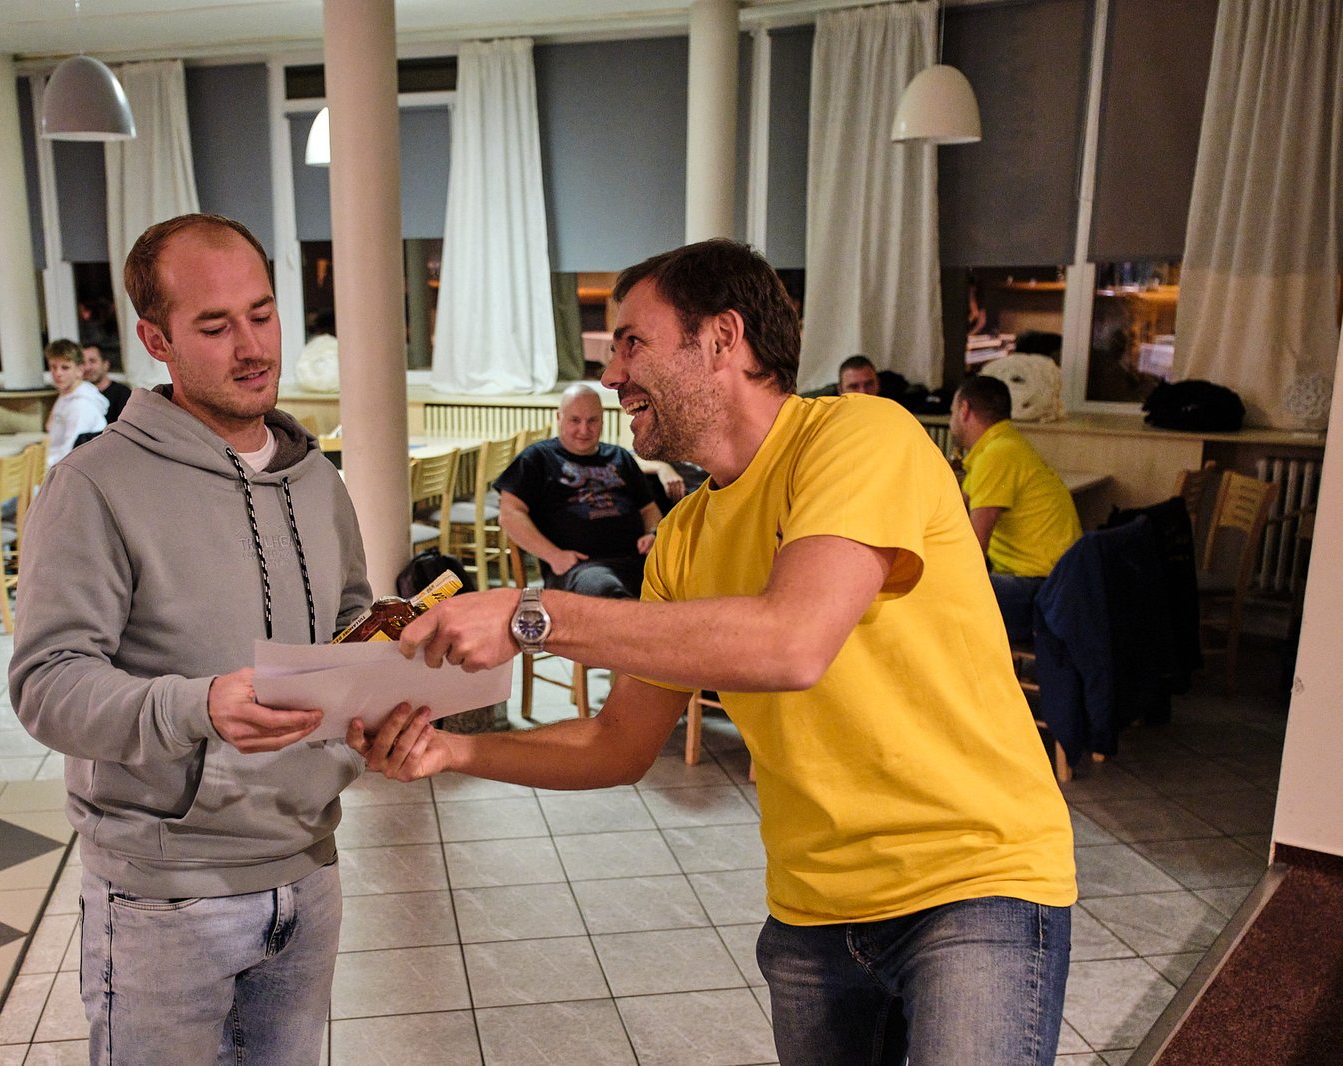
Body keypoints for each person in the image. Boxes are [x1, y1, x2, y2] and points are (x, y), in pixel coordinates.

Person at [352, 239, 1076, 1066]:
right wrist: (452, 752)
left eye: (633, 342)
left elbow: (792, 641)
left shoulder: (860, 434)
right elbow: (617, 743)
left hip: (972, 880)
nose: (612, 375)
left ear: (723, 339)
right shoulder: (684, 537)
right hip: (813, 911)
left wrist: (532, 615)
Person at [10, 212, 371, 1066]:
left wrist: (400, 660)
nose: (252, 347)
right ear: (156, 340)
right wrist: (199, 705)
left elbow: (348, 623)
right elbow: (47, 684)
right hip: (163, 897)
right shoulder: (93, 486)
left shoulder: (317, 478)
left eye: (262, 314)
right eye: (214, 326)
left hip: (310, 866)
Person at [494, 382, 662, 599]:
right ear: (559, 418)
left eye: (592, 421)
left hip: (637, 560)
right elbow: (509, 514)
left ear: (602, 421)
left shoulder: (620, 457)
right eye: (575, 420)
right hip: (581, 569)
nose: (584, 430)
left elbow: (649, 509)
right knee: (607, 591)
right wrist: (554, 556)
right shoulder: (537, 458)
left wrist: (652, 534)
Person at [950, 374, 1083, 642]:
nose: (951, 419)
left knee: (934, 591)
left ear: (964, 410)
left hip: (1039, 592)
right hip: (1061, 586)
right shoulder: (1006, 445)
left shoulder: (996, 455)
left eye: (951, 411)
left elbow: (975, 545)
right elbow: (955, 507)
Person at [43, 340, 110, 465]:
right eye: (53, 367)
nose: (58, 373)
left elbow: (69, 452)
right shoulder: (66, 395)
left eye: (65, 368)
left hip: (75, 468)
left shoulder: (82, 405)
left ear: (79, 370)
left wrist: (41, 466)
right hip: (57, 462)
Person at [80, 342, 131, 423]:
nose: (87, 367)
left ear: (106, 364)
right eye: (83, 363)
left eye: (92, 361)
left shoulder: (123, 394)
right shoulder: (80, 395)